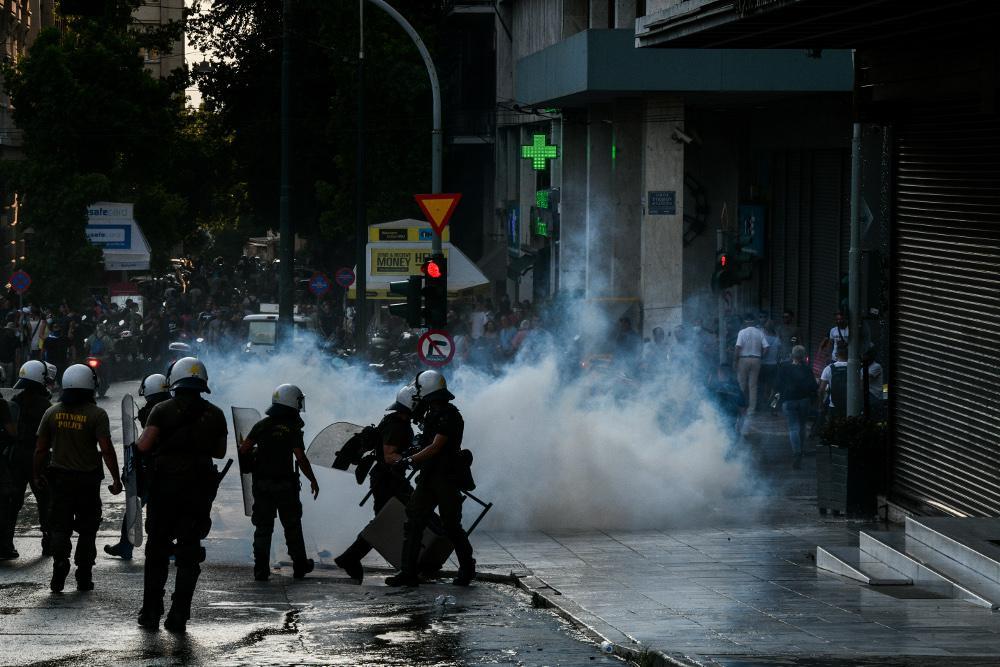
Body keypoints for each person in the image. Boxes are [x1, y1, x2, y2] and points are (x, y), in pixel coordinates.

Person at [136, 357, 227, 633]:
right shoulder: (215, 414)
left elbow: (144, 446)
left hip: (165, 488)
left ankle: (151, 611)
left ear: (174, 380)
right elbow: (220, 452)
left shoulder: (162, 409)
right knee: (189, 552)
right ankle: (179, 614)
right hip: (198, 490)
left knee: (157, 550)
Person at [33, 364, 121, 593]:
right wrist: (116, 479)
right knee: (88, 529)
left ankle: (59, 565)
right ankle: (84, 574)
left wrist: (36, 474)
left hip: (59, 481)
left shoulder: (52, 413)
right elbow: (106, 449)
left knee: (59, 527)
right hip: (88, 482)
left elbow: (40, 450)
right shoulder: (97, 414)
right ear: (91, 385)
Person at [386, 370, 475, 588]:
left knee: (451, 525)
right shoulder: (432, 413)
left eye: (419, 389)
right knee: (414, 520)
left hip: (446, 478)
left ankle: (467, 568)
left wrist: (410, 460)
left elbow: (435, 447)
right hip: (429, 476)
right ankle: (408, 572)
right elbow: (426, 441)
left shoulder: (449, 415)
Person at [335, 384, 417, 583]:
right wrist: (413, 457)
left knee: (388, 520)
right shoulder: (397, 425)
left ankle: (351, 558)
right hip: (388, 480)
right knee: (385, 522)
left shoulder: (397, 421)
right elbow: (389, 456)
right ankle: (350, 558)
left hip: (390, 479)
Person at [237, 383, 319, 582]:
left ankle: (260, 570)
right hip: (285, 486)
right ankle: (300, 566)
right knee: (292, 526)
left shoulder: (262, 425)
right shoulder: (292, 428)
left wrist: (255, 459)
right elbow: (300, 457)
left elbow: (244, 449)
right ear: (291, 402)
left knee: (263, 528)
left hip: (262, 485)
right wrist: (312, 479)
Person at [104, 374, 171, 560]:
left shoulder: (152, 411)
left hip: (151, 468)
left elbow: (144, 444)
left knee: (136, 503)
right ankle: (169, 547)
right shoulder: (174, 407)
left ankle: (126, 545)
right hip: (170, 468)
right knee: (166, 507)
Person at [0, 361, 52, 558]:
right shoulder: (45, 406)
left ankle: (5, 543)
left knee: (12, 502)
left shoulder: (16, 400)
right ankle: (48, 541)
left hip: (16, 457)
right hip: (38, 457)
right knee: (44, 500)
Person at [776, 345, 816, 469]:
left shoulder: (784, 368)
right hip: (804, 400)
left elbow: (778, 385)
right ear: (803, 356)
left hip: (789, 400)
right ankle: (801, 449)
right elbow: (813, 385)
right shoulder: (807, 369)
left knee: (793, 427)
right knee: (802, 426)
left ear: (792, 355)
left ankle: (797, 452)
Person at [734, 314, 770, 415]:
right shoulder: (759, 332)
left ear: (745, 322)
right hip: (756, 359)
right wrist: (761, 357)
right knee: (753, 386)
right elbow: (766, 347)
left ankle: (740, 407)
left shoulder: (742, 332)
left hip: (743, 359)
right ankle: (751, 409)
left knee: (741, 384)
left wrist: (735, 360)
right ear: (754, 322)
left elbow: (737, 347)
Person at [818, 346, 849, 420]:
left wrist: (821, 403)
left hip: (834, 404)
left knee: (834, 425)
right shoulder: (854, 367)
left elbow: (821, 390)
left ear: (836, 354)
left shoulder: (829, 368)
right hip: (850, 405)